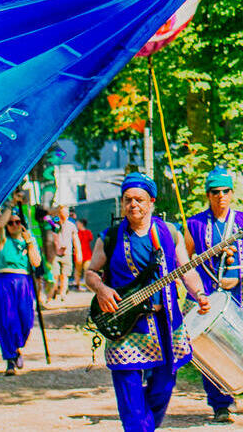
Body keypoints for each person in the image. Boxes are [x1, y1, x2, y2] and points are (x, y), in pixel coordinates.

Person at [84, 172, 212, 432]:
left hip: (165, 322)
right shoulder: (109, 237)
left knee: (164, 386)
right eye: (128, 199)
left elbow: (186, 269)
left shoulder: (170, 233)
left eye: (139, 199)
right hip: (124, 324)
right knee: (129, 392)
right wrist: (101, 289)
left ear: (152, 201)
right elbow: (90, 272)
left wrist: (199, 294)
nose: (133, 204)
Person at [184, 166, 243, 423]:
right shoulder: (195, 224)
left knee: (239, 347)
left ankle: (234, 389)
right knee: (211, 348)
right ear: (208, 195)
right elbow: (184, 257)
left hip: (241, 294)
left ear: (231, 193)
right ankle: (220, 404)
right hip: (209, 295)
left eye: (225, 191)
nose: (220, 196)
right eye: (215, 192)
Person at [0, 209, 43, 375]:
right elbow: (0, 225)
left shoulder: (28, 241)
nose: (14, 225)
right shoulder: (3, 240)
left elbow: (36, 262)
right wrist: (12, 203)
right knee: (6, 319)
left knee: (26, 319)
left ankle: (17, 348)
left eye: (17, 222)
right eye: (11, 223)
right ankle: (10, 358)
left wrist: (30, 243)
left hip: (23, 282)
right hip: (4, 281)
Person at [48, 204, 80, 302]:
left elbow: (75, 239)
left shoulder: (71, 225)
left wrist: (78, 252)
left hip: (67, 253)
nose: (64, 214)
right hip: (55, 254)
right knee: (55, 275)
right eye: (62, 212)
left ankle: (63, 294)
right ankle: (52, 293)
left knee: (65, 275)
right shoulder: (53, 224)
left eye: (66, 212)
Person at [74, 216, 95, 291]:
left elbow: (90, 238)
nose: (77, 225)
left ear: (81, 224)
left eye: (78, 224)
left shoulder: (88, 232)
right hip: (78, 255)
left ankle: (88, 285)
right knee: (78, 271)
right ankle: (77, 285)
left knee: (87, 270)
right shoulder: (76, 233)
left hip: (87, 255)